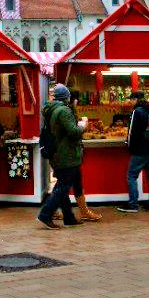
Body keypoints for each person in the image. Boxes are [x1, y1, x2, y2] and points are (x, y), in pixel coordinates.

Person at [36, 84, 84, 229]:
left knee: (62, 185)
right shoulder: (64, 111)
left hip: (57, 152)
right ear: (67, 97)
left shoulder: (51, 109)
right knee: (63, 187)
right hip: (66, 154)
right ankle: (45, 214)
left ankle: (68, 217)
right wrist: (82, 125)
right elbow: (73, 132)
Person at [118, 91, 149, 214]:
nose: (130, 102)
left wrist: (128, 145)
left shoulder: (137, 112)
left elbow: (131, 132)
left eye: (131, 99)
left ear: (136, 99)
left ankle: (133, 204)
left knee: (131, 175)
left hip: (139, 149)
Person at [67, 92, 101, 222]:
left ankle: (83, 211)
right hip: (70, 154)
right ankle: (48, 212)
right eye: (76, 99)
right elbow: (74, 132)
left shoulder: (66, 112)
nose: (77, 102)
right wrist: (83, 125)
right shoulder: (67, 113)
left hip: (71, 154)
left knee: (70, 183)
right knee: (68, 184)